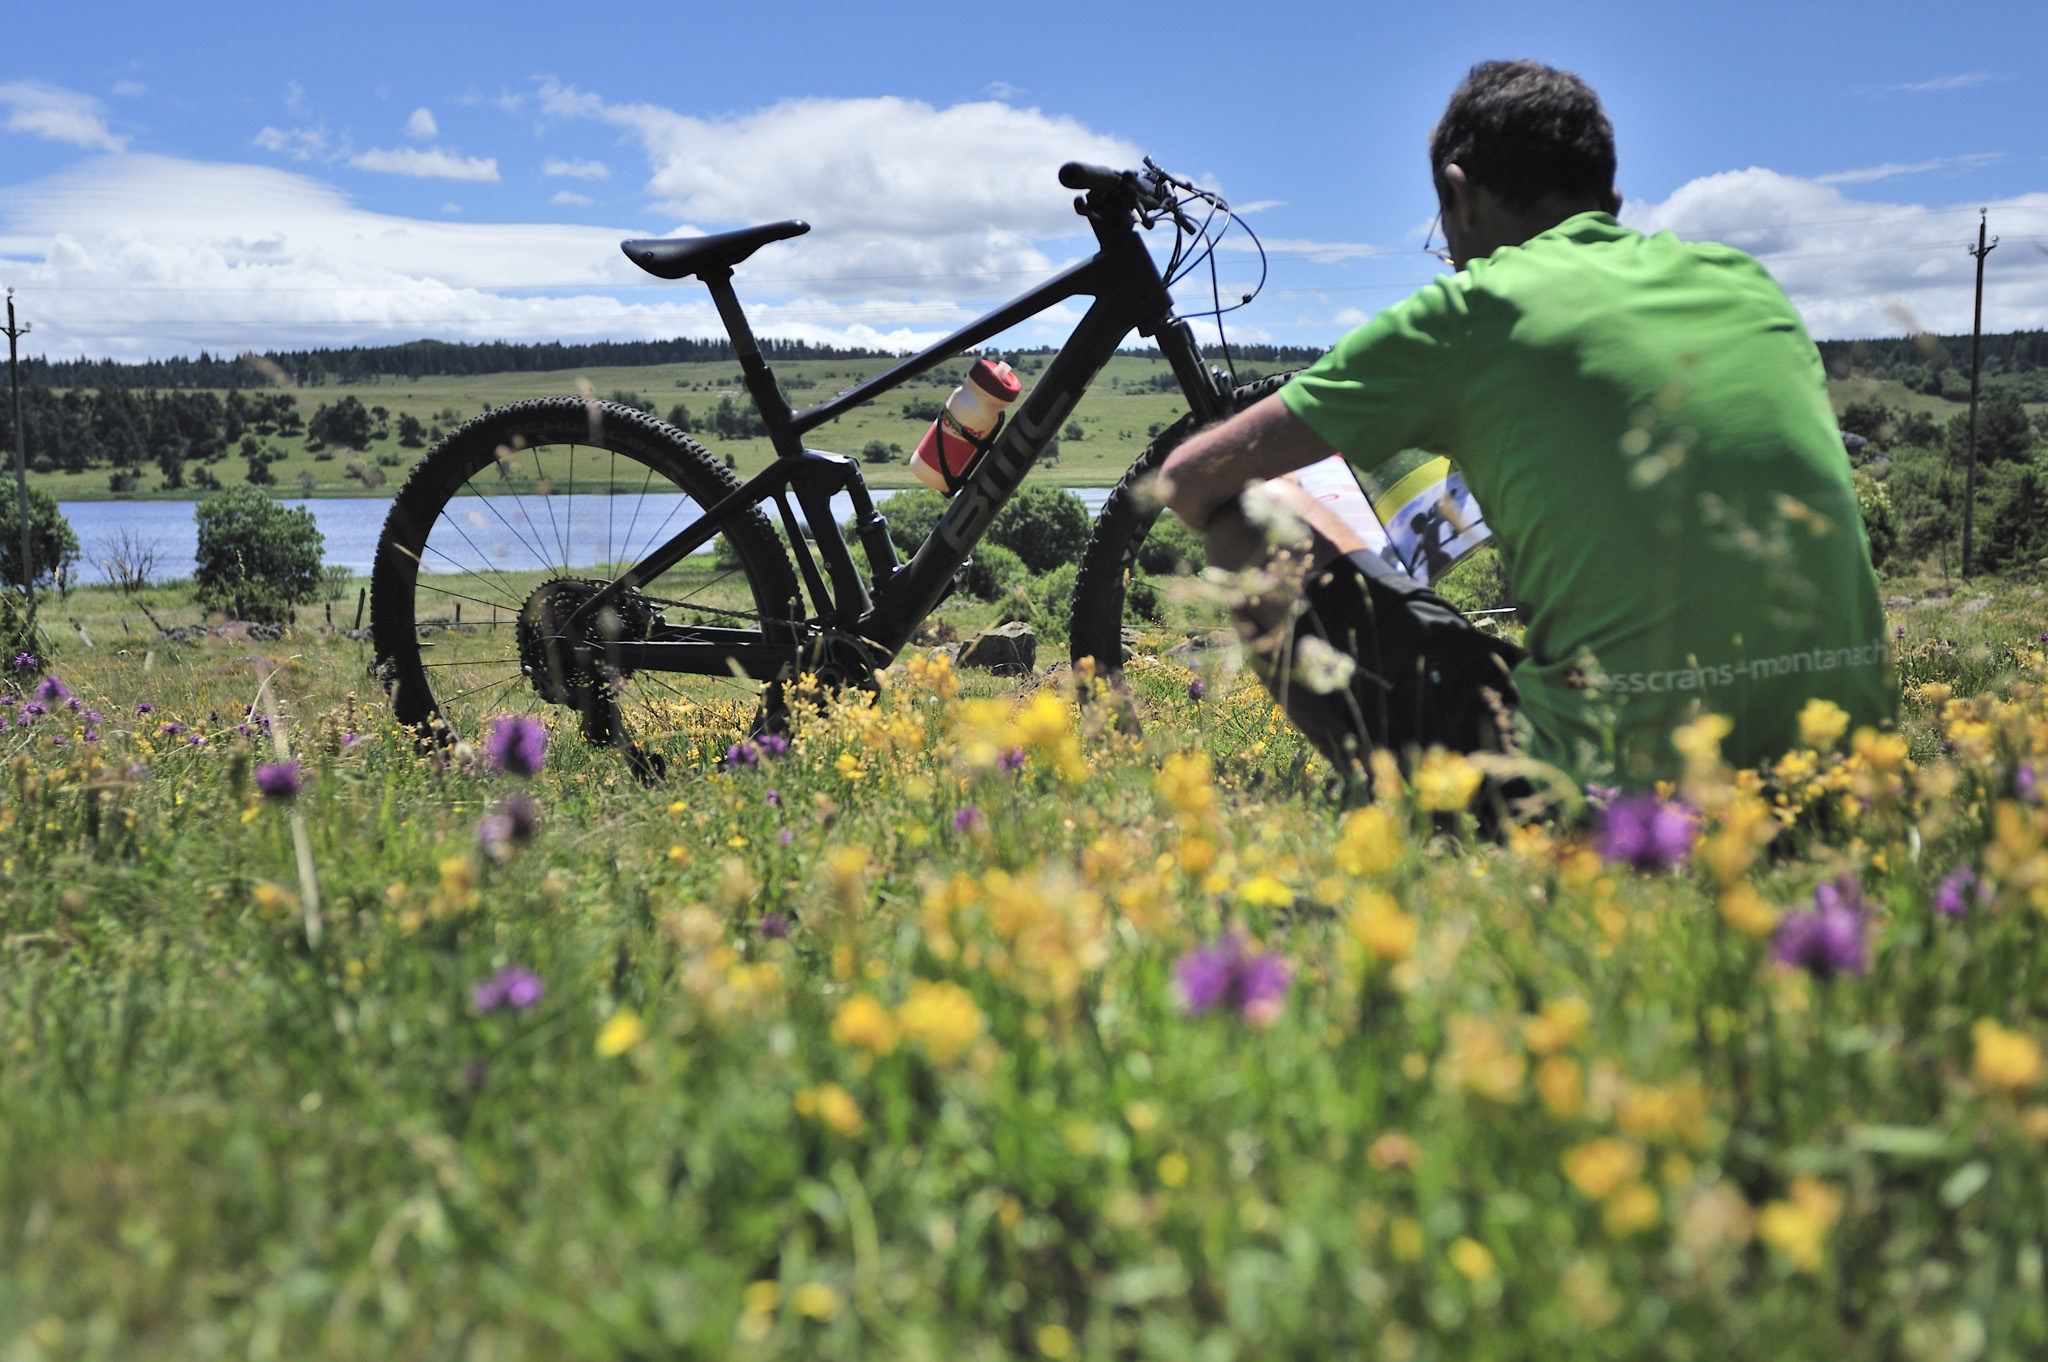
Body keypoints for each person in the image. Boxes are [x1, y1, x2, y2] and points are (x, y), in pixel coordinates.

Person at [1160, 59, 1894, 805]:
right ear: (1609, 198)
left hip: (1616, 805)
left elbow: (1190, 482)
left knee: (1248, 522)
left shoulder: (1474, 310)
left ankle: (1404, 807)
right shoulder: (1747, 284)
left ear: (1459, 195)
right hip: (1846, 782)